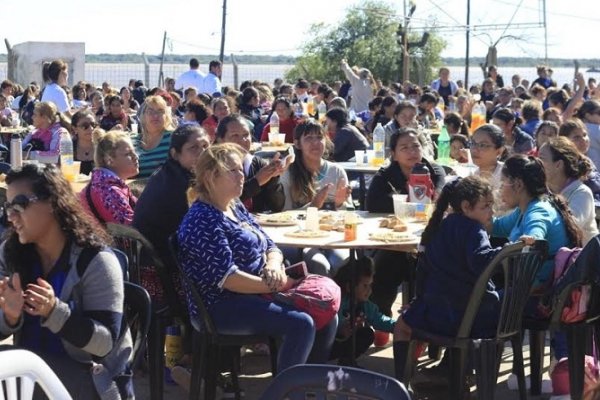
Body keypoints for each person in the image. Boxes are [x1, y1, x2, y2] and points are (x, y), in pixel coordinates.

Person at [177, 143, 337, 374]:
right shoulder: (202, 219)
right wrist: (275, 283)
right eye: (233, 171)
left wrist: (273, 264)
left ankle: (309, 384)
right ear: (212, 177)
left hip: (257, 291)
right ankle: (286, 392)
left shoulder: (234, 205)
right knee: (301, 323)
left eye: (240, 169)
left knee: (324, 309)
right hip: (221, 305)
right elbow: (228, 279)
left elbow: (269, 242)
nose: (242, 175)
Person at [0, 163, 133, 399]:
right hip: (32, 371)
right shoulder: (12, 254)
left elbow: (105, 344)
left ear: (52, 202)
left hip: (90, 381)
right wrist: (9, 317)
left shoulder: (96, 260)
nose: (11, 217)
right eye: (7, 208)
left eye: (19, 205)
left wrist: (54, 312)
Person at [393, 176, 503, 381]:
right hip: (474, 319)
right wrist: (505, 250)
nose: (491, 211)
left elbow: (423, 273)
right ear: (466, 207)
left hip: (441, 313)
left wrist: (417, 303)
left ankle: (401, 383)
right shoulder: (473, 229)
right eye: (486, 206)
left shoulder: (438, 227)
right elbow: (481, 261)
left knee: (401, 326)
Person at [365, 128, 446, 315]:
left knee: (432, 271)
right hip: (394, 240)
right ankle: (382, 321)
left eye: (416, 146)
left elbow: (440, 198)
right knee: (383, 268)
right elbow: (373, 203)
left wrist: (407, 201)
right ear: (393, 154)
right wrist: (411, 202)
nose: (412, 152)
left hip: (428, 238)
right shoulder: (386, 174)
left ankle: (422, 325)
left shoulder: (433, 170)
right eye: (404, 147)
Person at [133, 124, 209, 301]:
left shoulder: (171, 172)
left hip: (160, 264)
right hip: (164, 276)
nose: (203, 152)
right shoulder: (181, 185)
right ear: (175, 154)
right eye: (194, 148)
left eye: (206, 146)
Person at [492, 155, 582, 287]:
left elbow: (536, 234)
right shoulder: (525, 207)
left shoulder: (538, 210)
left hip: (534, 296)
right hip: (522, 287)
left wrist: (531, 239)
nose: (499, 190)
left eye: (502, 183)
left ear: (518, 185)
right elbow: (497, 227)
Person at [330, 257, 397, 365]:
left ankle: (347, 361)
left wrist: (398, 326)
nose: (369, 290)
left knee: (367, 334)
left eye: (370, 285)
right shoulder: (336, 301)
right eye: (365, 286)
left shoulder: (365, 304)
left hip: (345, 342)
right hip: (328, 342)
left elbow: (379, 319)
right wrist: (339, 332)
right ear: (349, 287)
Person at [216, 114, 287, 213]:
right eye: (235, 135)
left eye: (246, 135)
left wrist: (273, 177)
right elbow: (222, 203)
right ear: (221, 140)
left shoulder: (257, 164)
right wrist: (257, 182)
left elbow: (277, 206)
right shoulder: (215, 167)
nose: (242, 140)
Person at [538, 137, 598, 244]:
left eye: (541, 159)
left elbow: (568, 229)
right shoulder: (542, 191)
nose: (537, 163)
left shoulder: (581, 193)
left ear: (558, 165)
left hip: (581, 258)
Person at [80, 130, 139, 225]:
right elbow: (132, 231)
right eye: (128, 154)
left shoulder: (107, 184)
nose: (135, 157)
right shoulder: (108, 190)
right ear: (109, 160)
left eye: (134, 152)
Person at [135, 95, 176, 178]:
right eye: (150, 111)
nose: (155, 116)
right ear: (143, 116)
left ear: (166, 115)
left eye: (160, 111)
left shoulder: (174, 138)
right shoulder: (133, 141)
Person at [575, 100, 600, 170]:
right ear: (587, 115)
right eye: (599, 113)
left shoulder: (573, 128)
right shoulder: (596, 128)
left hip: (580, 173)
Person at [71, 109, 97, 175]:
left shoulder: (103, 147)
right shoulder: (68, 148)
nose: (91, 129)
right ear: (75, 129)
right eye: (85, 126)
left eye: (93, 124)